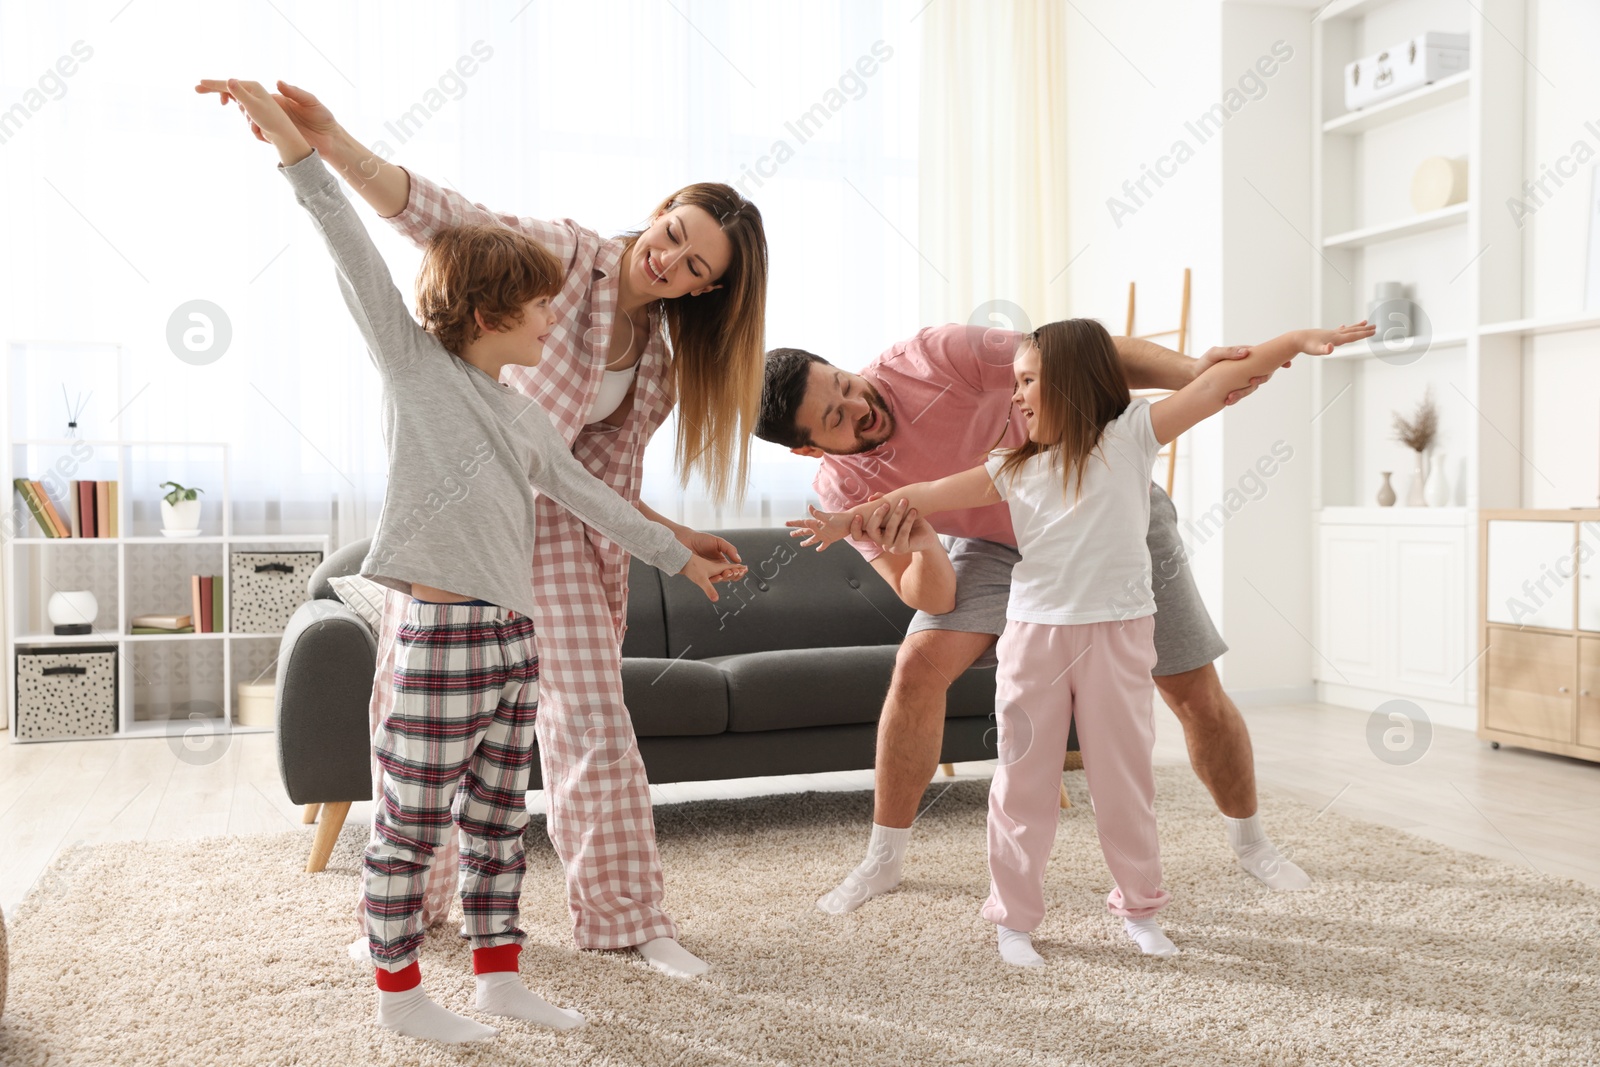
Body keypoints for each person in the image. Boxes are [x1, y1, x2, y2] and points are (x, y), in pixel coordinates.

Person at [207, 79, 742, 1041]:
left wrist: (679, 550)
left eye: (694, 262)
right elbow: (394, 231)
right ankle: (404, 965)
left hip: (523, 608)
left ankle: (547, 953)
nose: (668, 258)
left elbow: (593, 490)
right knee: (417, 796)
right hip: (445, 607)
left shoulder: (583, 395)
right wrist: (311, 146)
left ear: (707, 287)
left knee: (523, 793)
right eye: (672, 231)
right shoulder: (475, 324)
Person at [790, 318, 1373, 964]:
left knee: (1150, 749)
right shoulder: (1009, 467)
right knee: (1014, 773)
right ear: (813, 448)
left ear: (1068, 384)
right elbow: (923, 500)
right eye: (834, 418)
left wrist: (1284, 345)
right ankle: (991, 908)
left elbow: (1220, 387)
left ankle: (1196, 874)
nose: (1014, 398)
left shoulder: (1126, 435)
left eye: (1027, 383)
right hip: (1029, 620)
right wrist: (854, 519)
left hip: (1117, 623)